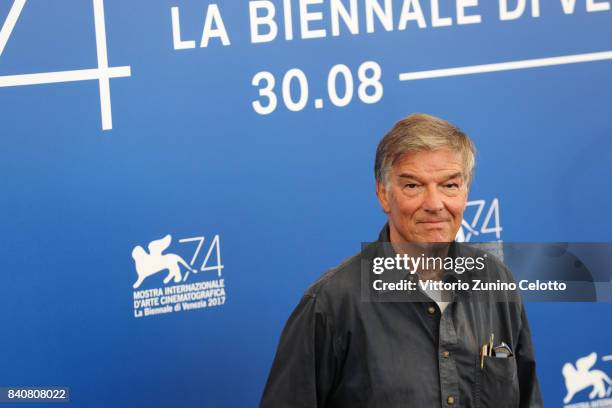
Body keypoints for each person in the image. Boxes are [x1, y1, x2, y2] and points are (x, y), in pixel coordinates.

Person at [260, 113, 543, 407]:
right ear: (384, 195)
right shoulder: (331, 303)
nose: (435, 204)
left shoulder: (496, 280)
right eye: (413, 186)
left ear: (465, 192)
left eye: (449, 185)